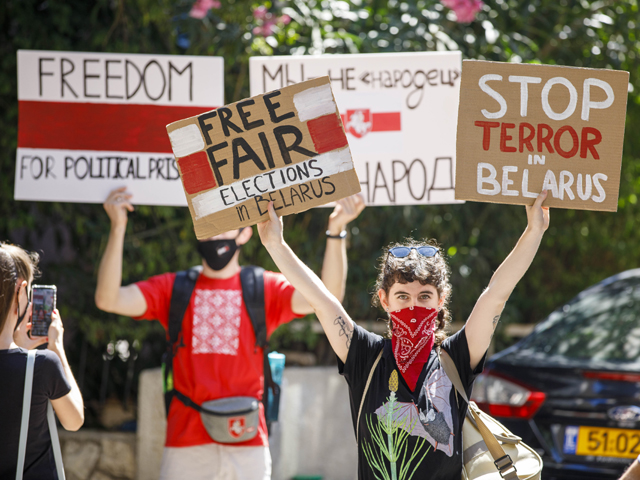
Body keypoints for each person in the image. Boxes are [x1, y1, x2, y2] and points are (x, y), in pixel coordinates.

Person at [257, 190, 550, 479]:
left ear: (440, 299)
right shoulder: (365, 357)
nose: (413, 306)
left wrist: (534, 230)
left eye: (424, 296)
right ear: (385, 300)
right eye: (402, 296)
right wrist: (275, 244)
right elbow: (322, 302)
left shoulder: (456, 358)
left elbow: (495, 296)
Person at [94, 186, 364, 480]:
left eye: (226, 227)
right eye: (210, 227)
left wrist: (336, 231)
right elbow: (108, 299)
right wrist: (118, 227)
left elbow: (328, 297)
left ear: (245, 233)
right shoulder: (174, 288)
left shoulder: (263, 287)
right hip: (186, 444)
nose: (216, 237)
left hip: (247, 442)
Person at [0, 243, 84, 479]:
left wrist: (19, 346)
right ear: (21, 290)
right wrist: (57, 348)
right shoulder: (43, 365)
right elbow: (74, 420)